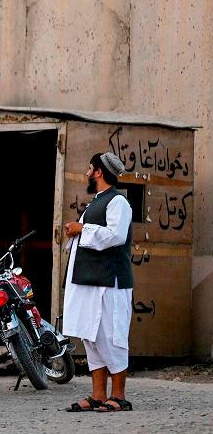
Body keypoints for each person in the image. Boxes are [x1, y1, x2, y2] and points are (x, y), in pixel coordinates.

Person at [64, 152, 134, 413]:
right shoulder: (96, 202)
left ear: (98, 172)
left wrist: (81, 230)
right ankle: (97, 395)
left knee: (111, 336)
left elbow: (115, 236)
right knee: (91, 336)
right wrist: (75, 231)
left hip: (110, 282)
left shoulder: (118, 203)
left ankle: (119, 396)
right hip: (90, 281)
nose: (86, 173)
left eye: (89, 168)